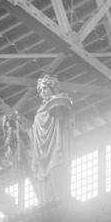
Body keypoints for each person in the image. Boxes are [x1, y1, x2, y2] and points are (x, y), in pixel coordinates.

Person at [29, 74, 73, 204]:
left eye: (46, 88)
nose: (43, 92)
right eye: (41, 90)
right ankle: (47, 202)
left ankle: (59, 200)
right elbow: (35, 134)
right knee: (44, 177)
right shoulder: (38, 115)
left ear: (52, 89)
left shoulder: (58, 103)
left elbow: (65, 120)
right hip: (42, 151)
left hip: (56, 144)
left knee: (56, 169)